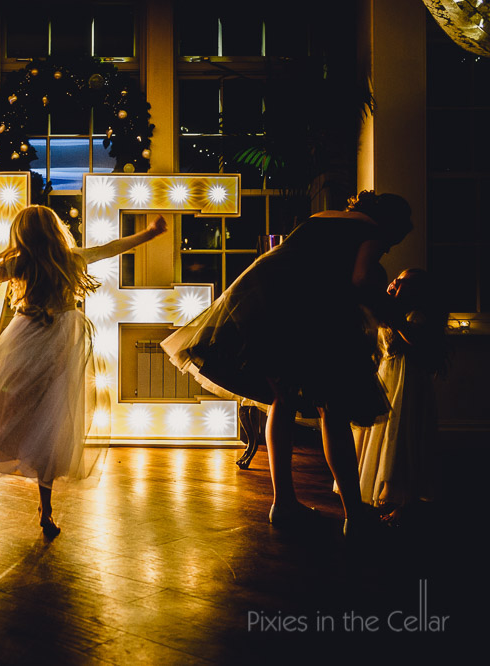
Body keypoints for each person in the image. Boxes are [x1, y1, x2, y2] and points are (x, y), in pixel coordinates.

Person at [160, 191, 413, 537]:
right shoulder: (371, 229)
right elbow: (359, 280)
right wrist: (396, 319)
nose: (386, 249)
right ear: (390, 225)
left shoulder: (325, 216)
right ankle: (354, 513)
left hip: (265, 304)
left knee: (284, 399)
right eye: (391, 243)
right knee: (334, 410)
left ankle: (284, 503)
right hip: (305, 313)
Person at [0, 205, 167, 538]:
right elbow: (111, 248)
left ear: (23, 235)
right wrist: (149, 233)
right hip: (56, 340)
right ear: (54, 230)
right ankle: (44, 510)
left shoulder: (25, 262)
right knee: (51, 417)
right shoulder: (68, 258)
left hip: (32, 336)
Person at [352, 268, 446, 525]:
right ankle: (382, 495)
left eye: (403, 282)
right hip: (386, 378)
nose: (394, 283)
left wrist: (395, 320)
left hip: (407, 384)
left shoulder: (415, 316)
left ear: (417, 292)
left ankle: (405, 502)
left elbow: (416, 342)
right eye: (396, 278)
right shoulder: (386, 311)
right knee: (381, 439)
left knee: (402, 439)